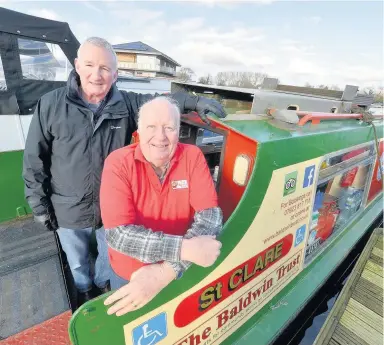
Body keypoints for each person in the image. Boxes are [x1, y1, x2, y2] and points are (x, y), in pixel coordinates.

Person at [22, 36, 226, 307]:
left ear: (115, 74)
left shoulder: (125, 103)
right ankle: (84, 294)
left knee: (109, 253)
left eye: (105, 68)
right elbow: (35, 158)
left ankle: (104, 287)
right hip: (69, 206)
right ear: (77, 66)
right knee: (78, 260)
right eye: (90, 65)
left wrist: (195, 101)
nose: (97, 74)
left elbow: (160, 103)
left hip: (113, 207)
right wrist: (40, 206)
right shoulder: (50, 104)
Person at [100, 96, 223, 316]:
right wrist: (185, 249)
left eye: (169, 128)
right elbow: (119, 235)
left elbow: (210, 218)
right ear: (138, 130)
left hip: (178, 273)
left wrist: (166, 272)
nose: (161, 137)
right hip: (131, 278)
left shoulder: (192, 156)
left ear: (179, 130)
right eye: (151, 127)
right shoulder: (118, 163)